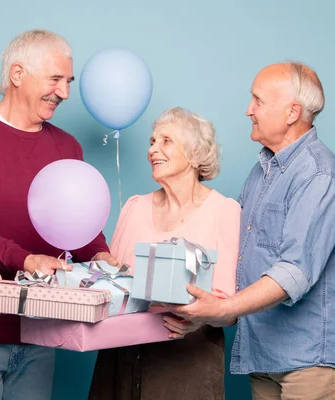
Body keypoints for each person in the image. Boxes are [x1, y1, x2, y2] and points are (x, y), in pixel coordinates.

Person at [0, 29, 116, 400]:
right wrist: (27, 260)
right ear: (17, 75)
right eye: (55, 80)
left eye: (68, 82)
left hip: (42, 329)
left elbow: (79, 221)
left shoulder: (67, 146)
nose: (64, 93)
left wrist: (102, 256)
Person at [169, 62, 335, 400]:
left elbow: (294, 272)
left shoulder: (321, 176)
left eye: (257, 101)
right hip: (264, 354)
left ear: (292, 112)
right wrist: (209, 314)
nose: (248, 111)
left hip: (311, 360)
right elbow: (241, 260)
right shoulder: (261, 174)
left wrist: (224, 309)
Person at [88, 107, 241, 400]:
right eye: (152, 141)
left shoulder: (224, 211)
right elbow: (114, 287)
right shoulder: (135, 207)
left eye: (166, 141)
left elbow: (230, 311)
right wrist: (100, 271)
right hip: (119, 360)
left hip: (186, 365)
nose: (153, 150)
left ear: (195, 154)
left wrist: (199, 317)